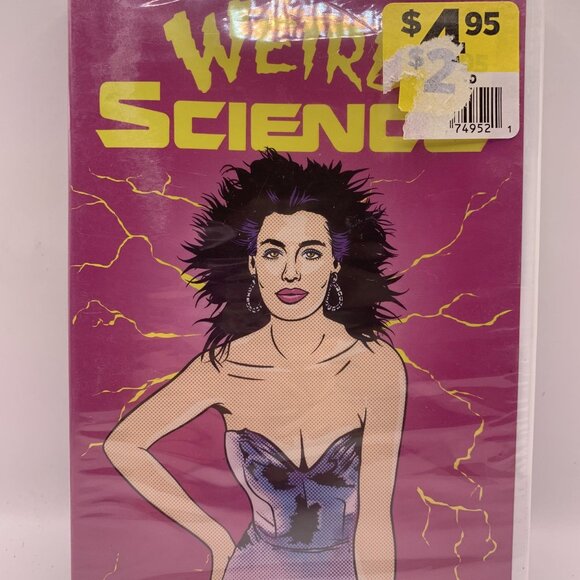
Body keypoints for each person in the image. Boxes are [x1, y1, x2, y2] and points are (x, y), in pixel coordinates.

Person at [104, 149, 408, 580]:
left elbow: (375, 519)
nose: (290, 273)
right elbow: (124, 445)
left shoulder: (375, 366)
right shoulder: (223, 368)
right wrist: (214, 537)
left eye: (310, 253)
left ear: (335, 264)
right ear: (252, 264)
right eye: (272, 253)